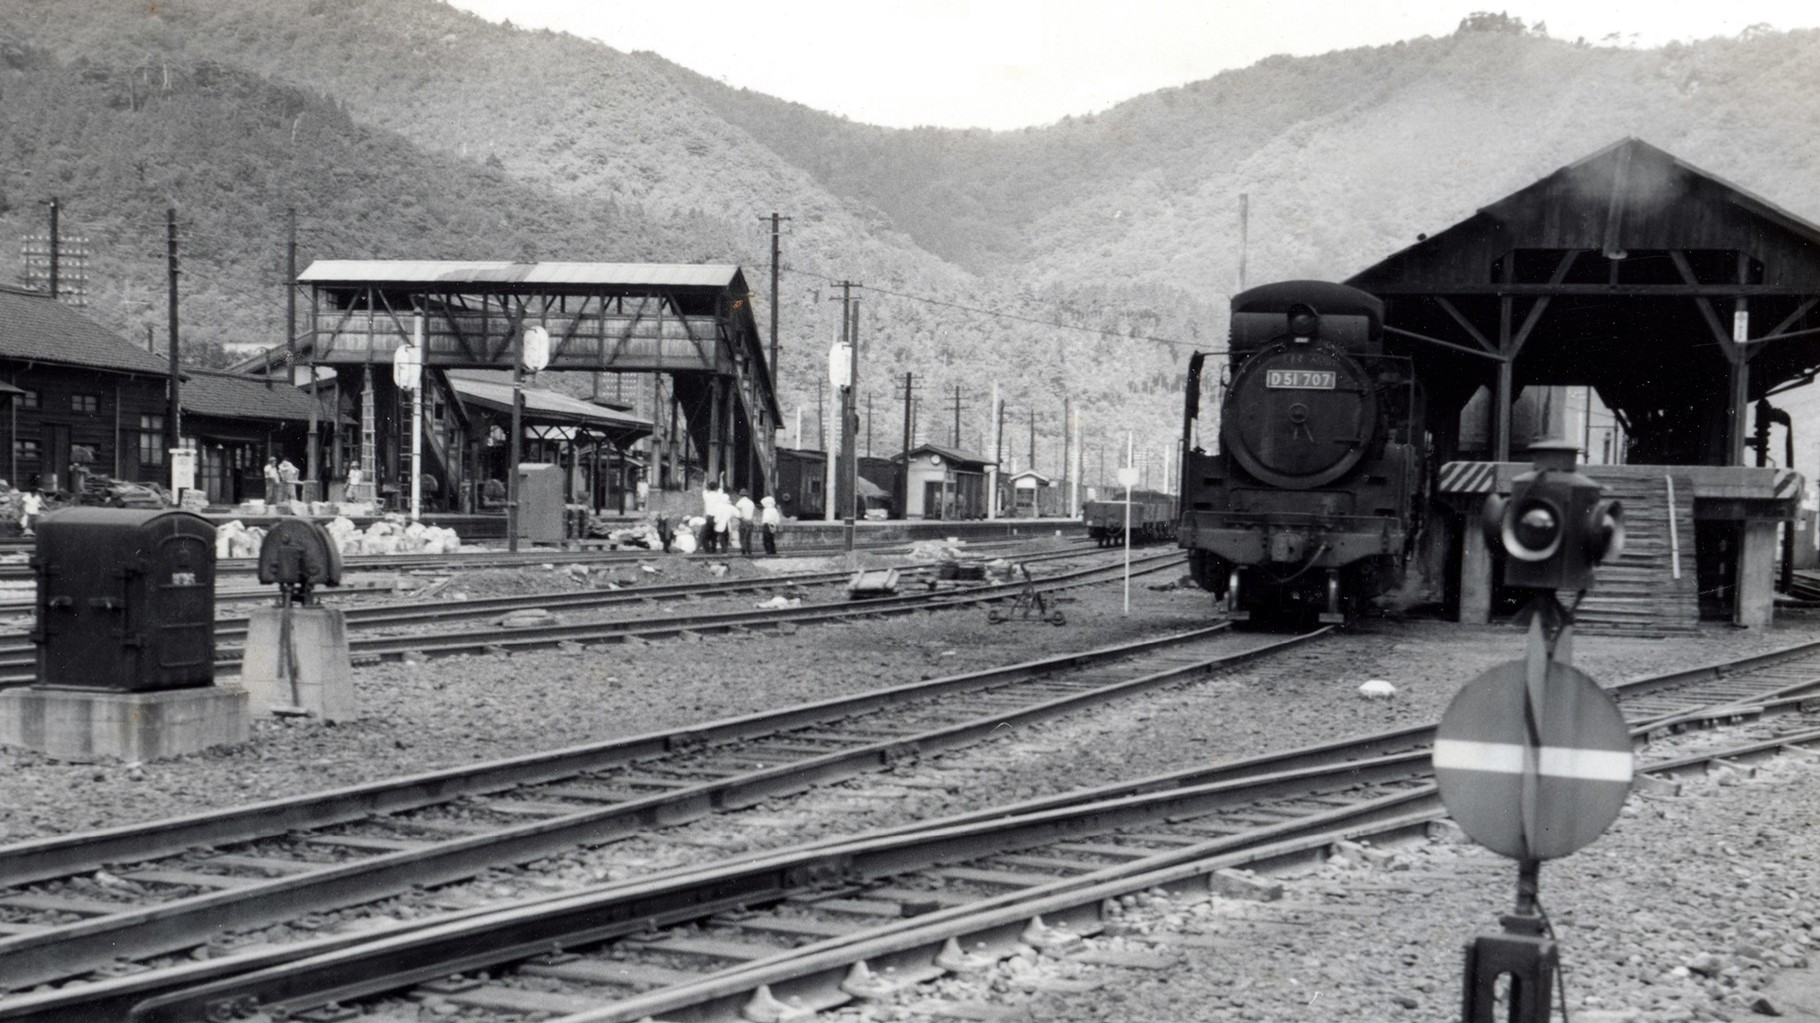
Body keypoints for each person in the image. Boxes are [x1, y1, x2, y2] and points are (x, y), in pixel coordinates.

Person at [734, 489, 756, 557]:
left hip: (743, 521)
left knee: (742, 537)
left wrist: (740, 518)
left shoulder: (740, 502)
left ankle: (743, 551)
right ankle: (749, 551)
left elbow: (737, 512)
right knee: (748, 537)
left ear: (740, 495)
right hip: (750, 521)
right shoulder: (751, 502)